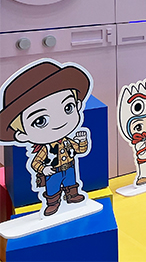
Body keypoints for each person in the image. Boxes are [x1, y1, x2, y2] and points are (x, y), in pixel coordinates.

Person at [0, 59, 92, 216]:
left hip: (69, 167)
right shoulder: (45, 149)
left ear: (77, 106)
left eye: (68, 107)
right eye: (40, 121)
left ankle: (72, 195)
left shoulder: (67, 141)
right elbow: (36, 162)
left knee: (71, 182)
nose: (60, 122)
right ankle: (53, 203)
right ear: (22, 135)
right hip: (53, 172)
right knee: (53, 189)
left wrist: (82, 141)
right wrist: (44, 169)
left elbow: (80, 150)